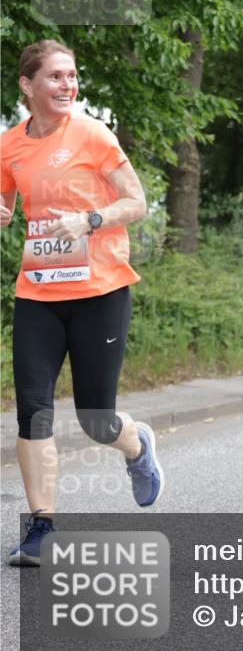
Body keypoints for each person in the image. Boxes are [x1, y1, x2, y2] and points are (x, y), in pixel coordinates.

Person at [0, 40, 164, 567]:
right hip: (39, 293)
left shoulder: (93, 132)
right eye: (55, 77)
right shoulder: (9, 145)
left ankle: (137, 446)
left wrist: (91, 219)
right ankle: (40, 528)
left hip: (100, 291)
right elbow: (6, 201)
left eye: (72, 76)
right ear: (28, 86)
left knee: (96, 419)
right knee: (33, 410)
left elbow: (135, 202)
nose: (68, 85)